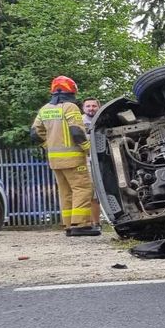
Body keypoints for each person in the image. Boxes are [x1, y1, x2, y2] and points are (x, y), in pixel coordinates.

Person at [31, 76, 99, 236]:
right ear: (72, 91)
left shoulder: (44, 109)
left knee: (65, 191)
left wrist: (48, 146)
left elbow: (34, 134)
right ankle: (81, 225)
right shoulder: (70, 107)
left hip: (55, 160)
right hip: (74, 158)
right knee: (83, 188)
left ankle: (68, 225)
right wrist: (88, 149)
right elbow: (77, 131)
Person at [82, 98, 102, 231]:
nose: (91, 108)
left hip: (102, 161)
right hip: (87, 160)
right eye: (88, 106)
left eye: (94, 106)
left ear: (98, 107)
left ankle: (97, 222)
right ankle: (92, 223)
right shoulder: (79, 122)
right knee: (90, 193)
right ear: (83, 108)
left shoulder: (103, 120)